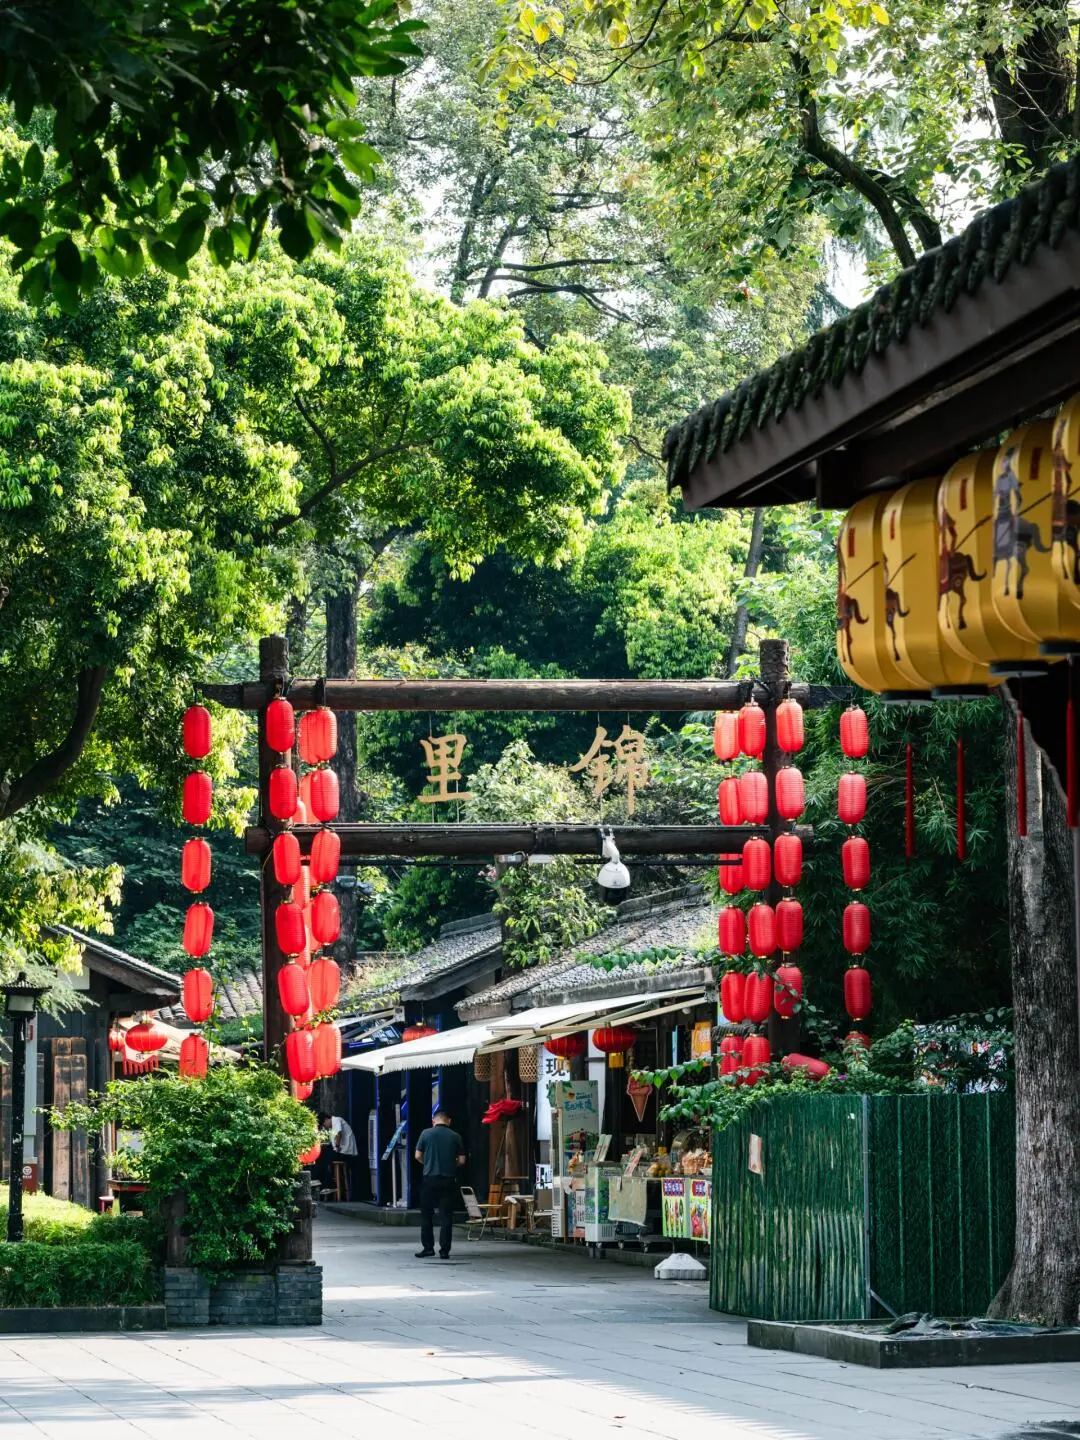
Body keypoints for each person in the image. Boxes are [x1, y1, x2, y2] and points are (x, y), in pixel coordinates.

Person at [414, 1109, 465, 1259]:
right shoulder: (455, 1136)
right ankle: (444, 1250)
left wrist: (427, 1163)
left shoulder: (426, 1134)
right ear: (449, 1121)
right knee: (446, 1216)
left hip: (429, 1178)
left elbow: (417, 1155)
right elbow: (462, 1160)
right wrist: (452, 1164)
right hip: (448, 1179)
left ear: (433, 1120)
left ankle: (428, 1248)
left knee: (426, 1214)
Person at [316, 1112, 358, 1197]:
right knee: (321, 1156)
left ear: (326, 1119)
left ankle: (329, 1185)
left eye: (324, 1124)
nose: (325, 1127)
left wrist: (337, 1146)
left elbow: (339, 1133)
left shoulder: (336, 1120)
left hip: (346, 1152)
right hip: (341, 1151)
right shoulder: (332, 1127)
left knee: (324, 1159)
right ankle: (324, 1184)